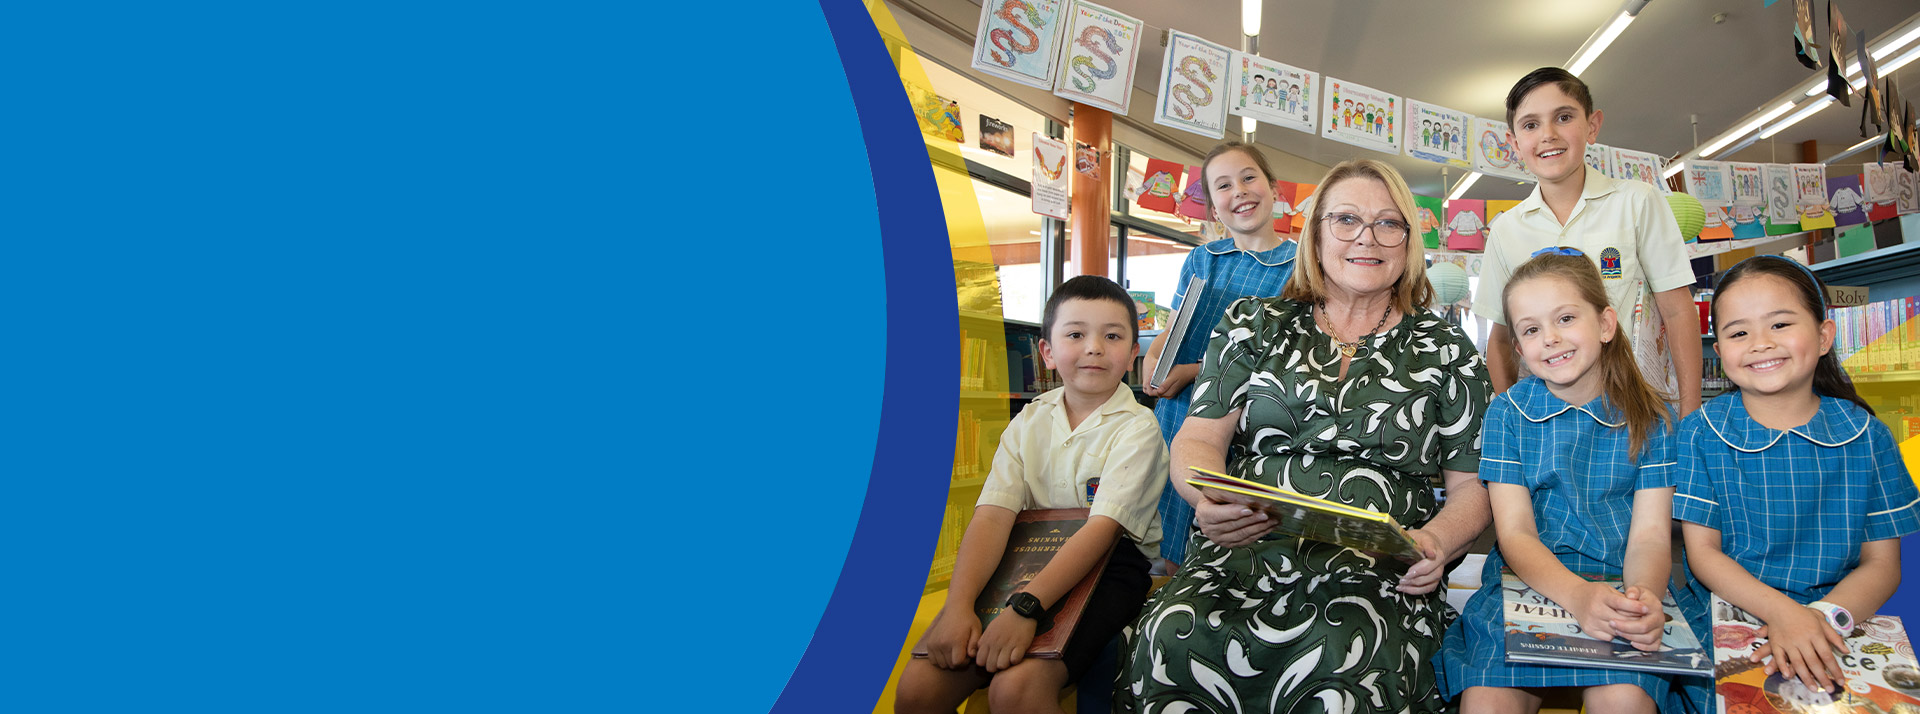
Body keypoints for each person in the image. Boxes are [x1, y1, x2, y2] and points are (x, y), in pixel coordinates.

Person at [1118, 159, 1493, 713]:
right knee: (1174, 636)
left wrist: (1437, 541)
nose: (1367, 237)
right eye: (1347, 219)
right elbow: (1197, 440)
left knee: (1345, 655)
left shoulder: (1446, 348)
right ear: (1315, 235)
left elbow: (1473, 487)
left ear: (1409, 243)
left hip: (1380, 571)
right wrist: (1207, 498)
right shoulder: (1252, 323)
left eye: (1389, 223)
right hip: (1241, 550)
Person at [1435, 250, 1703, 714]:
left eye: (1565, 318)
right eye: (1531, 329)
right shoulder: (1508, 414)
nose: (1550, 338)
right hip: (1525, 582)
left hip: (1624, 580)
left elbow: (1651, 537)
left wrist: (1641, 599)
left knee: (1624, 701)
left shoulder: (1653, 418)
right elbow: (1516, 533)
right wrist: (1577, 595)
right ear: (1519, 349)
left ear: (1605, 324)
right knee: (1486, 703)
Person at [895, 276, 1165, 714]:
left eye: (1112, 336)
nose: (1094, 348)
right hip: (1023, 557)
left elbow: (1102, 530)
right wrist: (958, 607)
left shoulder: (1138, 428)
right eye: (1075, 334)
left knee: (1015, 689)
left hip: (1108, 565)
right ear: (1047, 352)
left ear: (1133, 353)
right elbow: (992, 515)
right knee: (918, 689)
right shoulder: (1027, 421)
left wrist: (1025, 609)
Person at [1675, 255, 1920, 695]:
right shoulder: (1700, 433)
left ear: (1824, 336)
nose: (1760, 343)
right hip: (1728, 616)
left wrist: (1819, 619)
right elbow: (1703, 554)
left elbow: (1883, 565)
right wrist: (1783, 614)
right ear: (1720, 348)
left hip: (1840, 618)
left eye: (1780, 324)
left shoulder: (1868, 436)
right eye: (1739, 332)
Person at [1473, 67, 1703, 415]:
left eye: (1563, 117)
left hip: (1636, 411)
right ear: (1515, 143)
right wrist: (1511, 418)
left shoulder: (1637, 202)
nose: (1548, 135)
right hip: (1547, 421)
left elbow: (1677, 311)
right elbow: (1502, 340)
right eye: (1531, 125)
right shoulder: (1506, 229)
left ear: (1592, 126)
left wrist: (1690, 415)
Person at [1140, 142, 1298, 570]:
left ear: (1274, 188)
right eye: (1223, 186)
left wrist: (1194, 371)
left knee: (1225, 532)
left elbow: (1279, 354)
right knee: (1168, 536)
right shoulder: (1202, 259)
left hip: (1243, 419)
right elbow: (1173, 329)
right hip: (1177, 410)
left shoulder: (1300, 266)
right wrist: (1153, 360)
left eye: (1248, 178)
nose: (1239, 191)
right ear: (1213, 208)